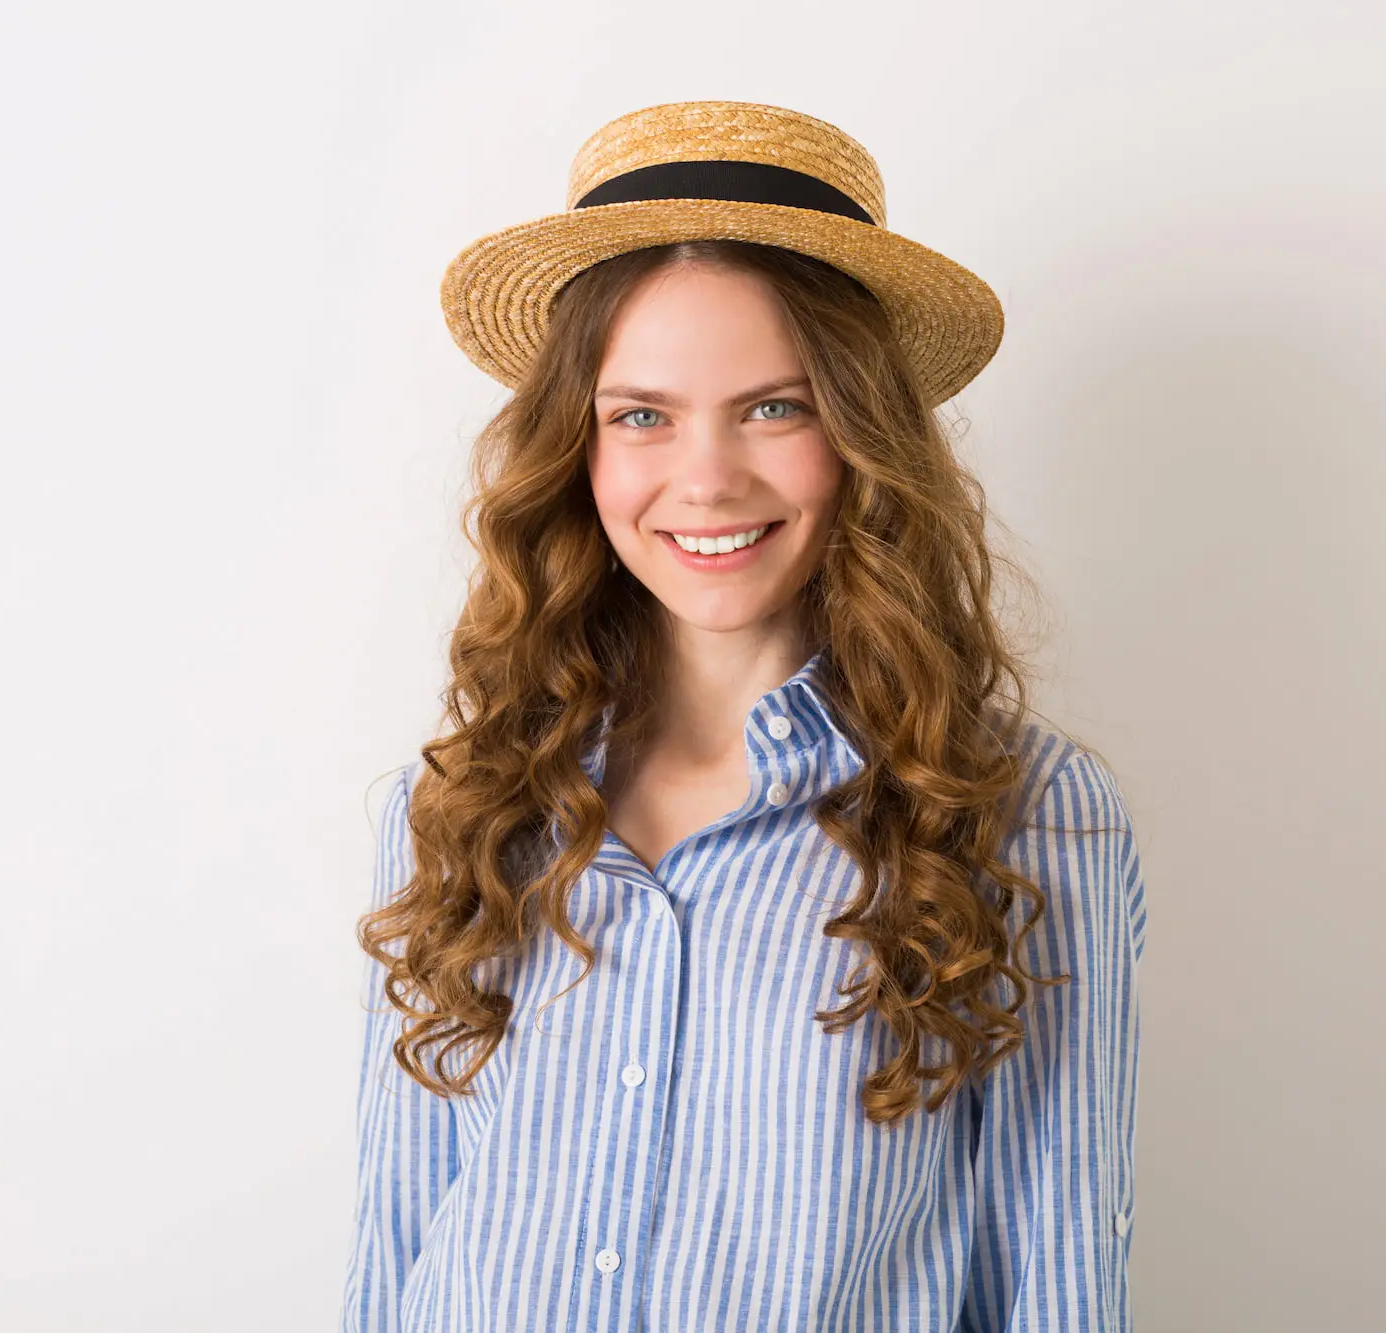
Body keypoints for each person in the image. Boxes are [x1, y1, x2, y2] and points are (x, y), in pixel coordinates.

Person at [340, 100, 1148, 1333]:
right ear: (580, 450)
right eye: (641, 414)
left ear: (862, 435)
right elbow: (395, 1240)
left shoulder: (1017, 811)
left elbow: (1054, 1272)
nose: (705, 478)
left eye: (774, 406)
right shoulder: (455, 805)